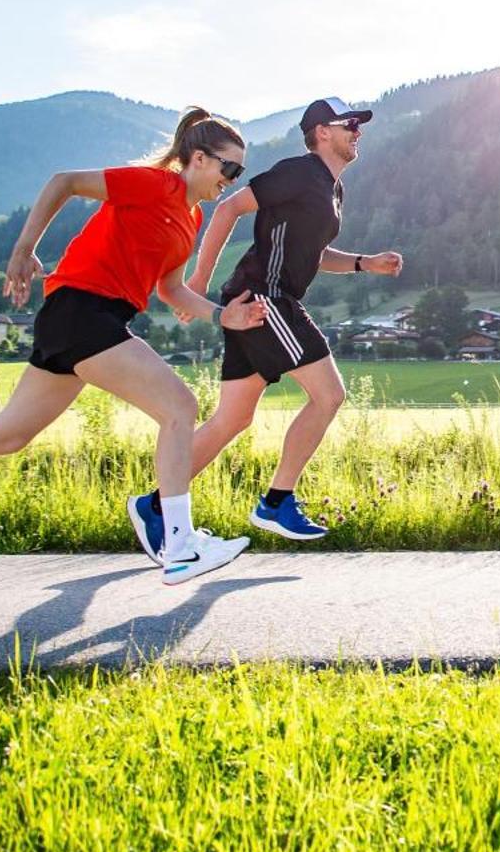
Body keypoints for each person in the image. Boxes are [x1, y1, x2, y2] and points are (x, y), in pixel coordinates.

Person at [0, 108, 271, 586]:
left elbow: (170, 290)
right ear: (199, 158)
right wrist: (23, 248)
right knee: (179, 407)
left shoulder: (187, 218)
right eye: (229, 168)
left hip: (83, 321)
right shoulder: (154, 185)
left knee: (4, 436)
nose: (232, 179)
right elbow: (64, 181)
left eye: (239, 172)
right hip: (82, 311)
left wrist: (219, 315)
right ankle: (180, 543)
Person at [127, 97, 402, 560]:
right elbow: (229, 209)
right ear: (321, 132)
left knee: (232, 419)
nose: (358, 131)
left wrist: (362, 263)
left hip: (260, 303)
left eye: (359, 125)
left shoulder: (332, 189)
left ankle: (156, 506)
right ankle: (277, 502)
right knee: (330, 395)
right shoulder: (299, 171)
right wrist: (197, 281)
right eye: (349, 124)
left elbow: (310, 253)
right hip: (265, 300)